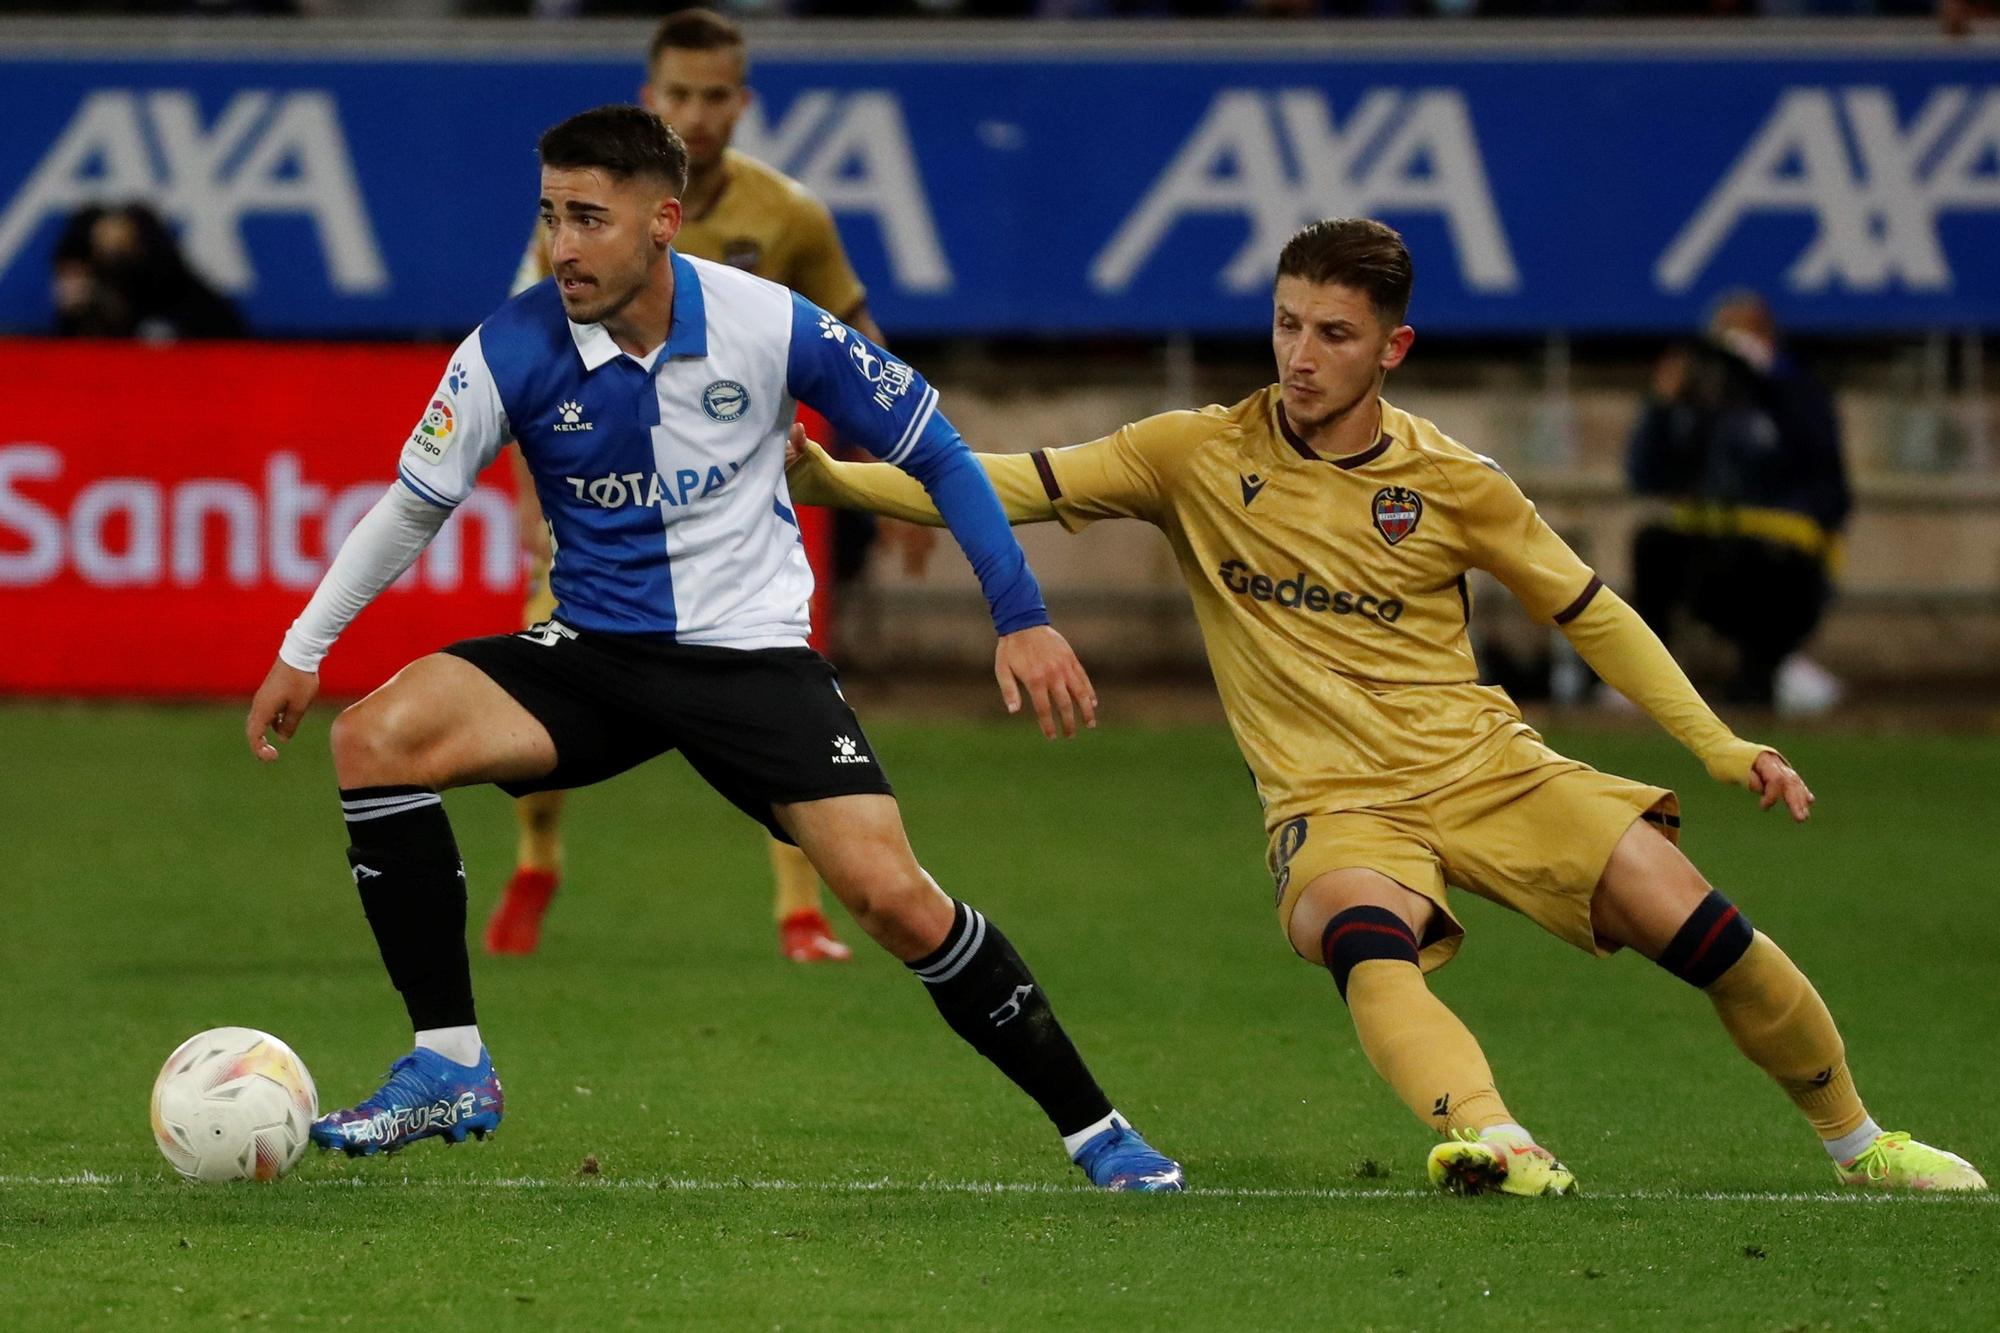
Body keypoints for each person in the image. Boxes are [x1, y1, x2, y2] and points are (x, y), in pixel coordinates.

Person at [785, 218, 1985, 1195]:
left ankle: (1859, 1142)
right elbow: (1007, 482)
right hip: (1331, 800)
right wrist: (834, 478)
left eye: (1333, 334)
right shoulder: (1192, 452)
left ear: (1391, 347)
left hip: (1485, 765)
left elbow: (1590, 611)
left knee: (1705, 931)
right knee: (1362, 936)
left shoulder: (1452, 481)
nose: (1299, 356)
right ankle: (1495, 1139)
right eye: (1285, 324)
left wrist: (1715, 743)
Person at [241, 106, 1183, 1192]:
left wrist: (1018, 614)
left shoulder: (767, 322)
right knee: (374, 738)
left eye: (589, 218)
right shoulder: (507, 348)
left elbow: (935, 447)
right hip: (594, 654)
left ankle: (1096, 1128)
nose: (562, 245)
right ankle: (450, 1063)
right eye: (550, 215)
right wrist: (304, 648)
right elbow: (413, 507)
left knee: (892, 899)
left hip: (753, 664)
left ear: (663, 222)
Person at [488, 7, 926, 964]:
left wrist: (898, 469)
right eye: (680, 94)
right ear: (652, 98)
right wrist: (530, 500)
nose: (697, 112)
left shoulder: (790, 216)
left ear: (742, 101)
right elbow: (525, 362)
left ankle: (800, 912)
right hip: (603, 509)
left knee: (777, 707)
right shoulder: (587, 215)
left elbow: (858, 343)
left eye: (715, 94)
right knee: (533, 718)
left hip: (732, 515)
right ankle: (537, 859)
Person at [1625, 293, 1850, 709]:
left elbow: (1828, 480)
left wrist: (1768, 377)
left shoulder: (1798, 393)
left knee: (1763, 565)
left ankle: (1765, 674)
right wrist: (1661, 404)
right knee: (1654, 544)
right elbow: (1645, 476)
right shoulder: (1703, 404)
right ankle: (1650, 678)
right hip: (1711, 552)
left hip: (1779, 561)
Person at [50, 202, 244, 341]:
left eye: (123, 246)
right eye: (103, 249)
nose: (114, 250)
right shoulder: (82, 281)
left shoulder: (183, 293)